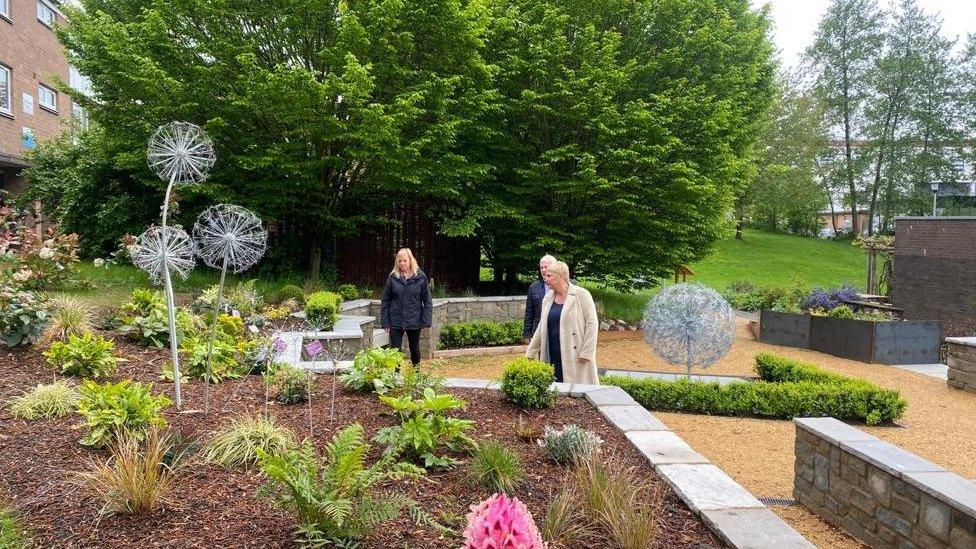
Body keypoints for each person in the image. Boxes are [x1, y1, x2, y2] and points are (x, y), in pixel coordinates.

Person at [525, 261, 599, 384]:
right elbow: (541, 327)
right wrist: (530, 352)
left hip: (576, 355)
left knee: (577, 394)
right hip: (552, 352)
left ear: (560, 276)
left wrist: (587, 353)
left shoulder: (582, 295)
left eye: (549, 276)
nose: (545, 279)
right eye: (545, 276)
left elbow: (592, 324)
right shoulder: (548, 298)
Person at [380, 248, 433, 366]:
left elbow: (427, 300)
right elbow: (385, 300)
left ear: (410, 261)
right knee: (395, 350)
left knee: (414, 348)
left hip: (414, 319)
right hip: (396, 320)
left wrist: (426, 320)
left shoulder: (420, 276)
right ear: (397, 262)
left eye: (404, 260)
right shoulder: (393, 277)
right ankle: (396, 376)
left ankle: (415, 374)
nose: (402, 263)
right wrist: (385, 321)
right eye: (400, 261)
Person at [523, 254, 556, 344]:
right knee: (542, 357)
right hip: (540, 331)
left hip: (558, 329)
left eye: (546, 267)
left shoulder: (568, 286)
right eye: (541, 267)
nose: (543, 270)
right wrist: (527, 334)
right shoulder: (534, 287)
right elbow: (529, 312)